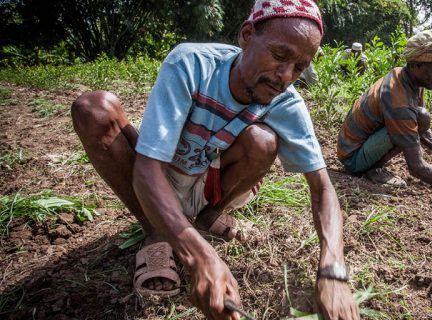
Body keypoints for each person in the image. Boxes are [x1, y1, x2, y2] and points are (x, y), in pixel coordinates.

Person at [70, 1, 359, 319]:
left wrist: (333, 271)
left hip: (209, 182)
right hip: (158, 175)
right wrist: (197, 256)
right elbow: (148, 167)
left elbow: (323, 189)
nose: (285, 77)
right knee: (94, 108)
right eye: (279, 56)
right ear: (247, 34)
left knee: (263, 141)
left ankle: (209, 216)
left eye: (300, 67)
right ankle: (155, 231)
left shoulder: (286, 102)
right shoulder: (192, 64)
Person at [336, 30, 432, 189]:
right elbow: (417, 167)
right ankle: (370, 169)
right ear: (419, 65)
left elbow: (421, 127)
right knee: (413, 121)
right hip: (353, 158)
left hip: (358, 145)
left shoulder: (408, 78)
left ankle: (372, 164)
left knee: (421, 117)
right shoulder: (397, 97)